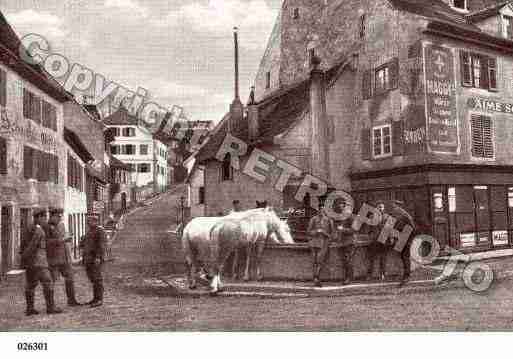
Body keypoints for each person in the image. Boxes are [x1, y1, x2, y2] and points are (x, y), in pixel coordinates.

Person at [20, 207, 63, 316]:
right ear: (39, 217)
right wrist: (25, 257)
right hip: (39, 262)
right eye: (44, 217)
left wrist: (25, 259)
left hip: (31, 263)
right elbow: (33, 246)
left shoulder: (29, 227)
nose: (45, 220)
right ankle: (51, 307)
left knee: (30, 285)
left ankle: (30, 309)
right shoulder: (38, 230)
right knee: (48, 282)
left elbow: (23, 245)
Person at [46, 207, 82, 306]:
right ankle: (50, 305)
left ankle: (71, 300)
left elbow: (64, 236)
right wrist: (62, 240)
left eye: (60, 216)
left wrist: (68, 239)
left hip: (65, 257)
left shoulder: (61, 225)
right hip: (53, 258)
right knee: (51, 281)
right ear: (52, 215)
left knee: (70, 278)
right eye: (58, 216)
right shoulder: (47, 227)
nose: (60, 218)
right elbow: (47, 242)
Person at [80, 212, 107, 307]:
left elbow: (102, 245)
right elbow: (85, 245)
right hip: (88, 259)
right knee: (92, 278)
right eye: (87, 221)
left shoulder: (100, 231)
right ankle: (95, 298)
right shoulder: (90, 231)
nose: (88, 222)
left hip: (95, 259)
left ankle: (99, 299)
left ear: (95, 221)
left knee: (97, 279)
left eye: (89, 221)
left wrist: (98, 257)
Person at [307, 202, 336, 287]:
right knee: (314, 261)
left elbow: (333, 234)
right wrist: (316, 231)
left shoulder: (329, 220)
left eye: (322, 209)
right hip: (314, 242)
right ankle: (315, 278)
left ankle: (317, 278)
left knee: (319, 260)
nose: (321, 211)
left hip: (324, 242)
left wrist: (324, 233)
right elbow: (308, 231)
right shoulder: (313, 219)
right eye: (319, 209)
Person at [367, 201, 388, 281]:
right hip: (374, 240)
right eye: (379, 207)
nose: (380, 208)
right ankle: (370, 274)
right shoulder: (372, 216)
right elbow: (369, 229)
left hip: (383, 240)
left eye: (382, 207)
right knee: (372, 258)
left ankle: (382, 274)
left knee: (383, 258)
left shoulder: (386, 217)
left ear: (384, 208)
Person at [337, 219, 355, 285]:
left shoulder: (352, 219)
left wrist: (342, 229)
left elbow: (353, 230)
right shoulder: (342, 219)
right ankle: (346, 278)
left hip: (349, 243)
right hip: (342, 243)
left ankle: (348, 278)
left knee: (348, 261)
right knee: (344, 261)